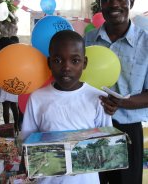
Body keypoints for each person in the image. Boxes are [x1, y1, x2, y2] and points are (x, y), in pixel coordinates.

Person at [21, 30, 112, 184]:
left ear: (85, 63)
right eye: (58, 60)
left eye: (75, 60)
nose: (66, 67)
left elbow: (106, 142)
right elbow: (27, 142)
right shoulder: (37, 98)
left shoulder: (98, 98)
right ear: (49, 63)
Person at [84, 0, 148, 184]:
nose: (114, 4)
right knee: (96, 180)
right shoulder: (87, 41)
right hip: (91, 128)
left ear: (131, 2)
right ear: (100, 5)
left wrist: (122, 102)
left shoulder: (146, 43)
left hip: (128, 129)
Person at [0, 37, 19, 134]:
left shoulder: (0, 55)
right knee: (14, 105)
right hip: (14, 82)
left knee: (5, 106)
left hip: (4, 82)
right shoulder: (13, 54)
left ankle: (7, 129)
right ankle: (17, 127)